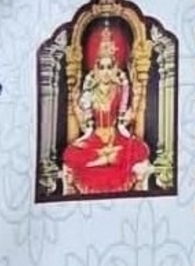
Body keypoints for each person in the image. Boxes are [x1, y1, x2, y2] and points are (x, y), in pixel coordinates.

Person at [62, 24, 153, 195]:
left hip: (116, 139)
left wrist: (136, 98)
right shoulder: (90, 91)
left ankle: (102, 159)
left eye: (109, 67)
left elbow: (125, 119)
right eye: (102, 67)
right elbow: (84, 122)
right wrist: (75, 103)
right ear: (96, 69)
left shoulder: (120, 89)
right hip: (95, 139)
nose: (105, 72)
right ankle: (103, 158)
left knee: (139, 149)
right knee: (71, 153)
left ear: (114, 68)